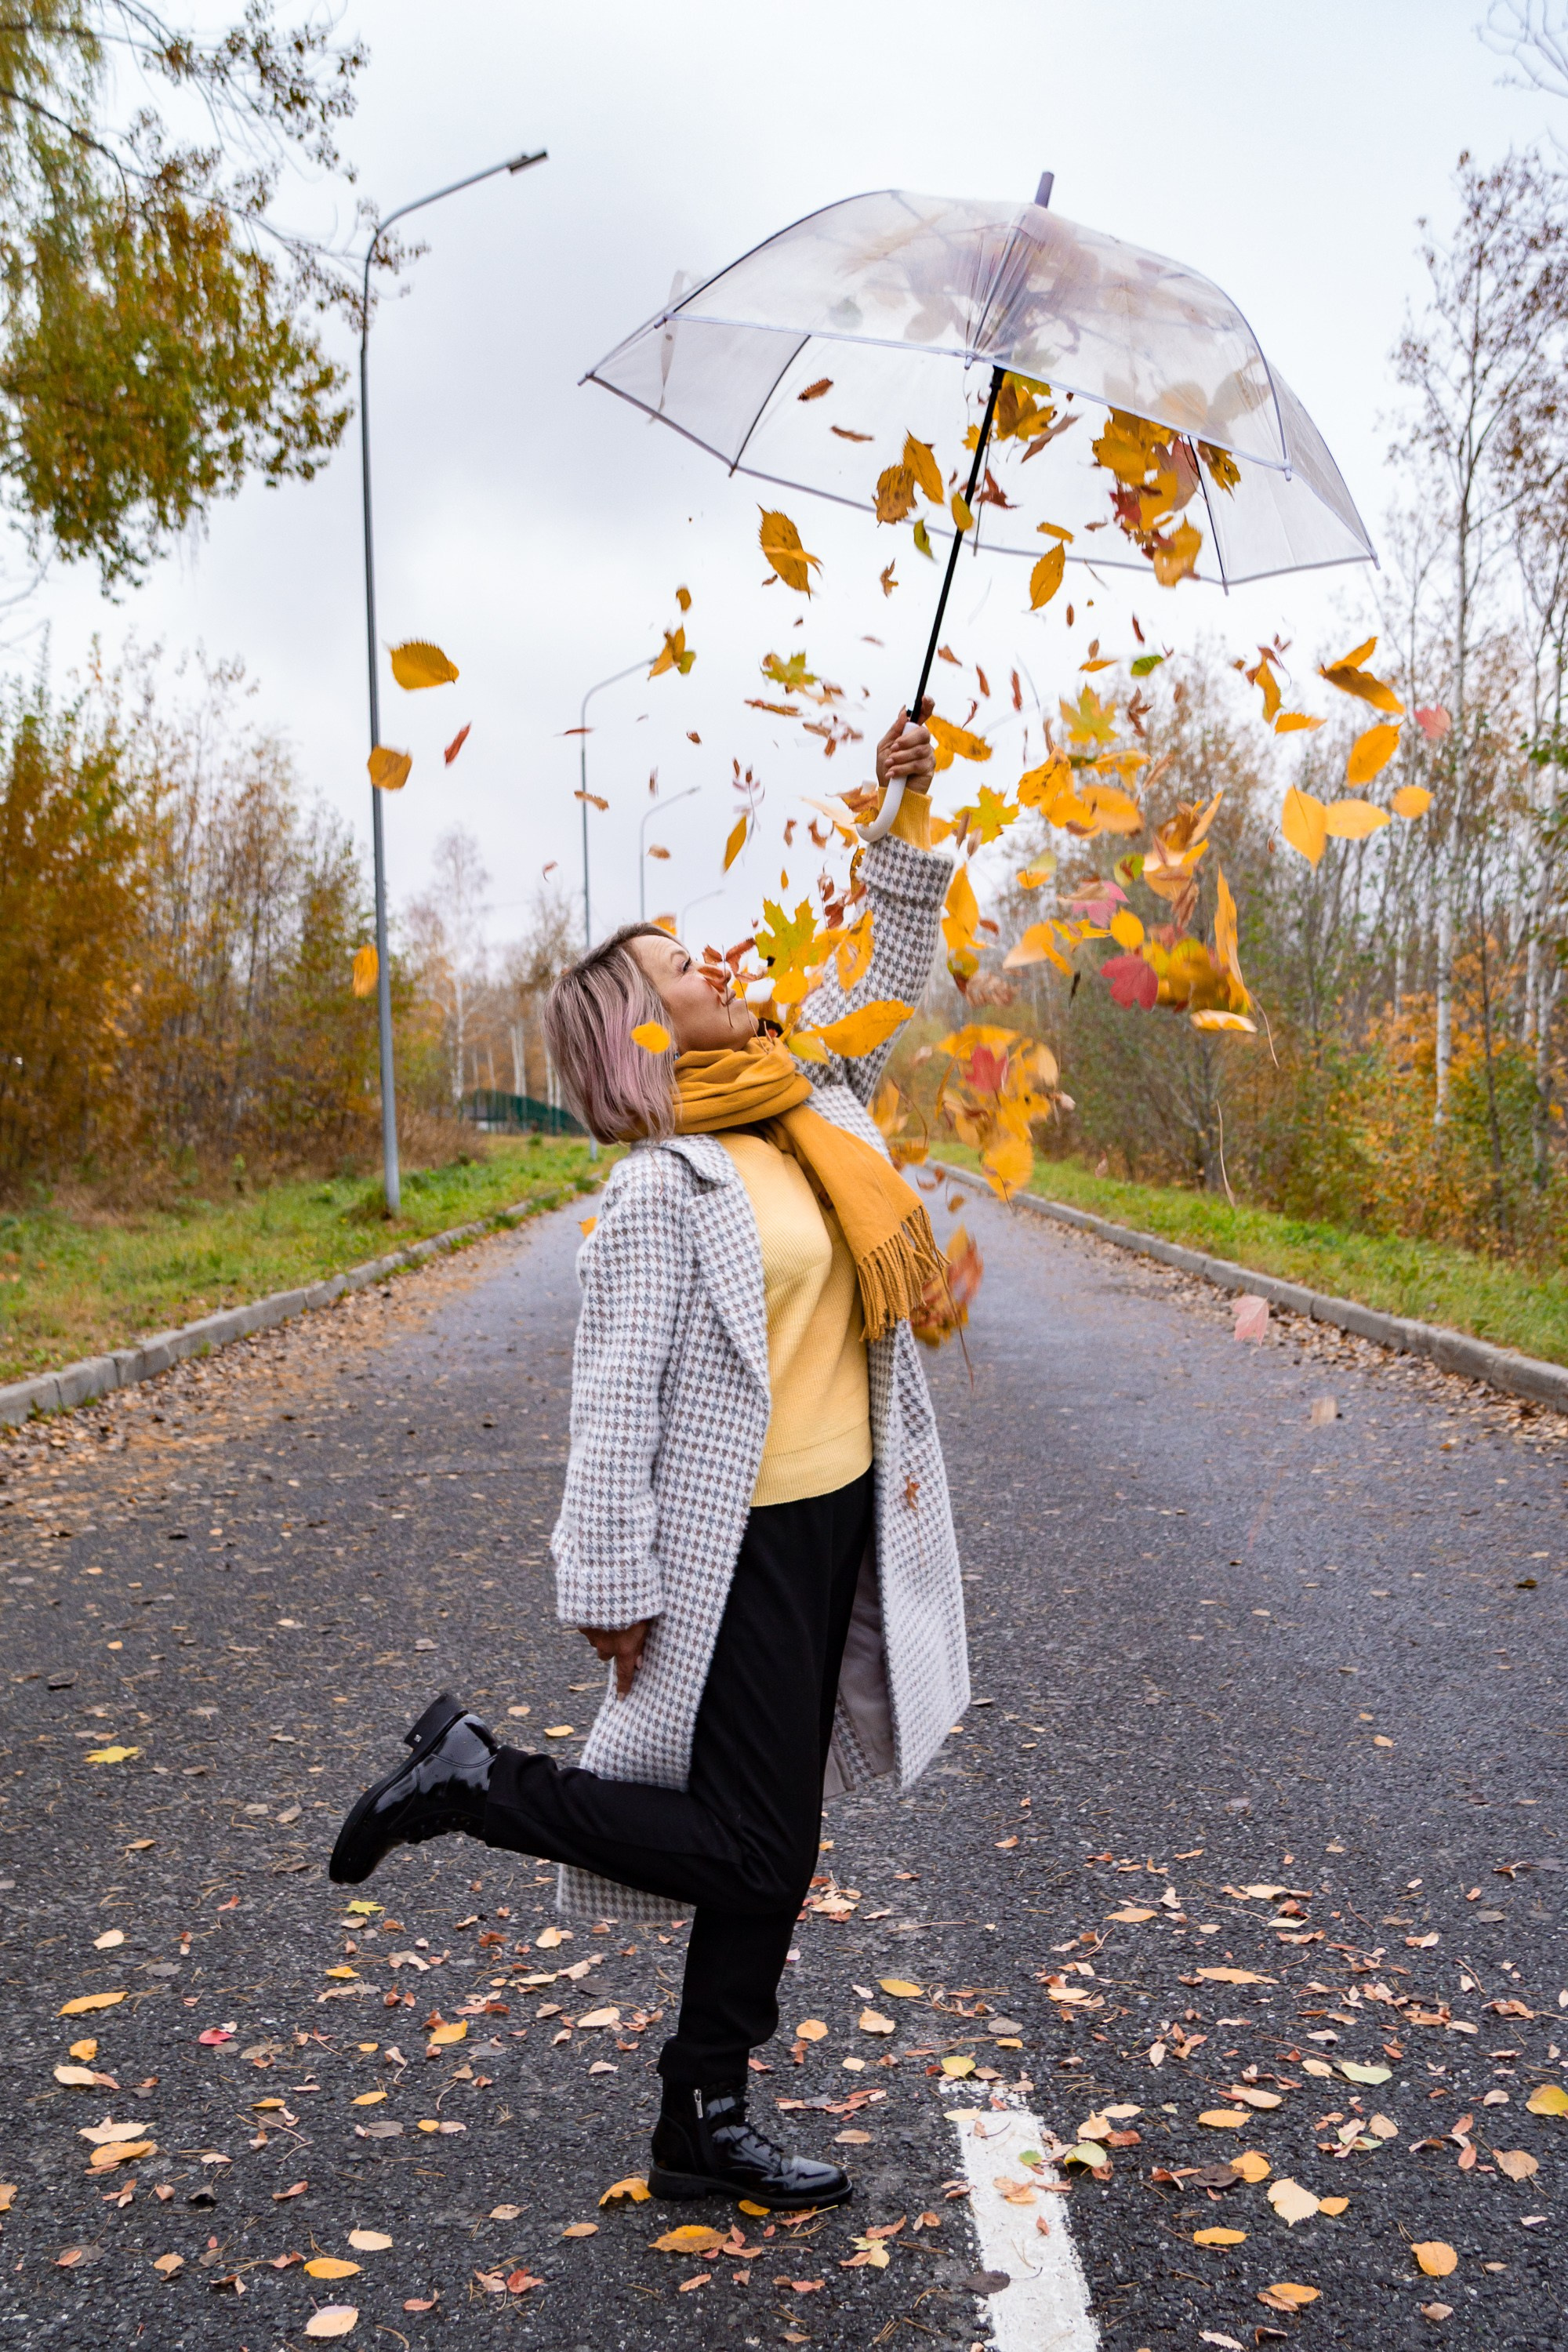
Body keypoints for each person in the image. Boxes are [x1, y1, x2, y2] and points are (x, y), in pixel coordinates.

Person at [329, 704, 968, 2212]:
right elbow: (610, 1407)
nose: (726, 968)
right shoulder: (661, 1190)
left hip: (833, 1525)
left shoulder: (812, 1102)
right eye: (690, 968)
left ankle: (705, 2114)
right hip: (728, 1544)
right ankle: (477, 1780)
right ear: (641, 1029)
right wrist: (607, 1582)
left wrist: (903, 816)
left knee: (779, 1839)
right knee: (753, 1846)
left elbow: (890, 984)